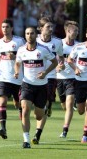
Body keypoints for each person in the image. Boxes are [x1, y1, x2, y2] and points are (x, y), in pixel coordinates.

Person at [14, 27, 58, 148]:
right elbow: (17, 63)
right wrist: (17, 71)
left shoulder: (43, 50)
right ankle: (26, 140)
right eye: (27, 33)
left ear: (35, 35)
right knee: (25, 109)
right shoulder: (21, 50)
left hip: (41, 86)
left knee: (38, 115)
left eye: (32, 33)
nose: (29, 35)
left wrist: (45, 72)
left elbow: (55, 62)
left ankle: (45, 108)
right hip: (26, 85)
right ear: (25, 35)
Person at [32, 17, 64, 145]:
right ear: (40, 29)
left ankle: (37, 134)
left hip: (50, 77)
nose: (51, 29)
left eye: (52, 27)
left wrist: (61, 64)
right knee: (36, 111)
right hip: (34, 77)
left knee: (43, 106)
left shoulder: (57, 42)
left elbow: (60, 57)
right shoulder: (34, 40)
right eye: (47, 27)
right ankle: (49, 104)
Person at [0, 19, 26, 139]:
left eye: (7, 27)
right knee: (2, 102)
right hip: (3, 78)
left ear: (11, 28)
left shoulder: (19, 41)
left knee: (20, 104)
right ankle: (3, 128)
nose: (5, 29)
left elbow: (27, 55)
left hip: (18, 79)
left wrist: (15, 56)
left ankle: (25, 130)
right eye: (3, 27)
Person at [57, 21, 79, 138]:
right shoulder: (59, 44)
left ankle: (65, 130)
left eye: (77, 31)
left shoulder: (79, 46)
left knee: (69, 104)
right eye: (73, 31)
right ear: (67, 31)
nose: (76, 33)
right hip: (60, 78)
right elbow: (52, 59)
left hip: (73, 78)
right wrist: (57, 67)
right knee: (64, 106)